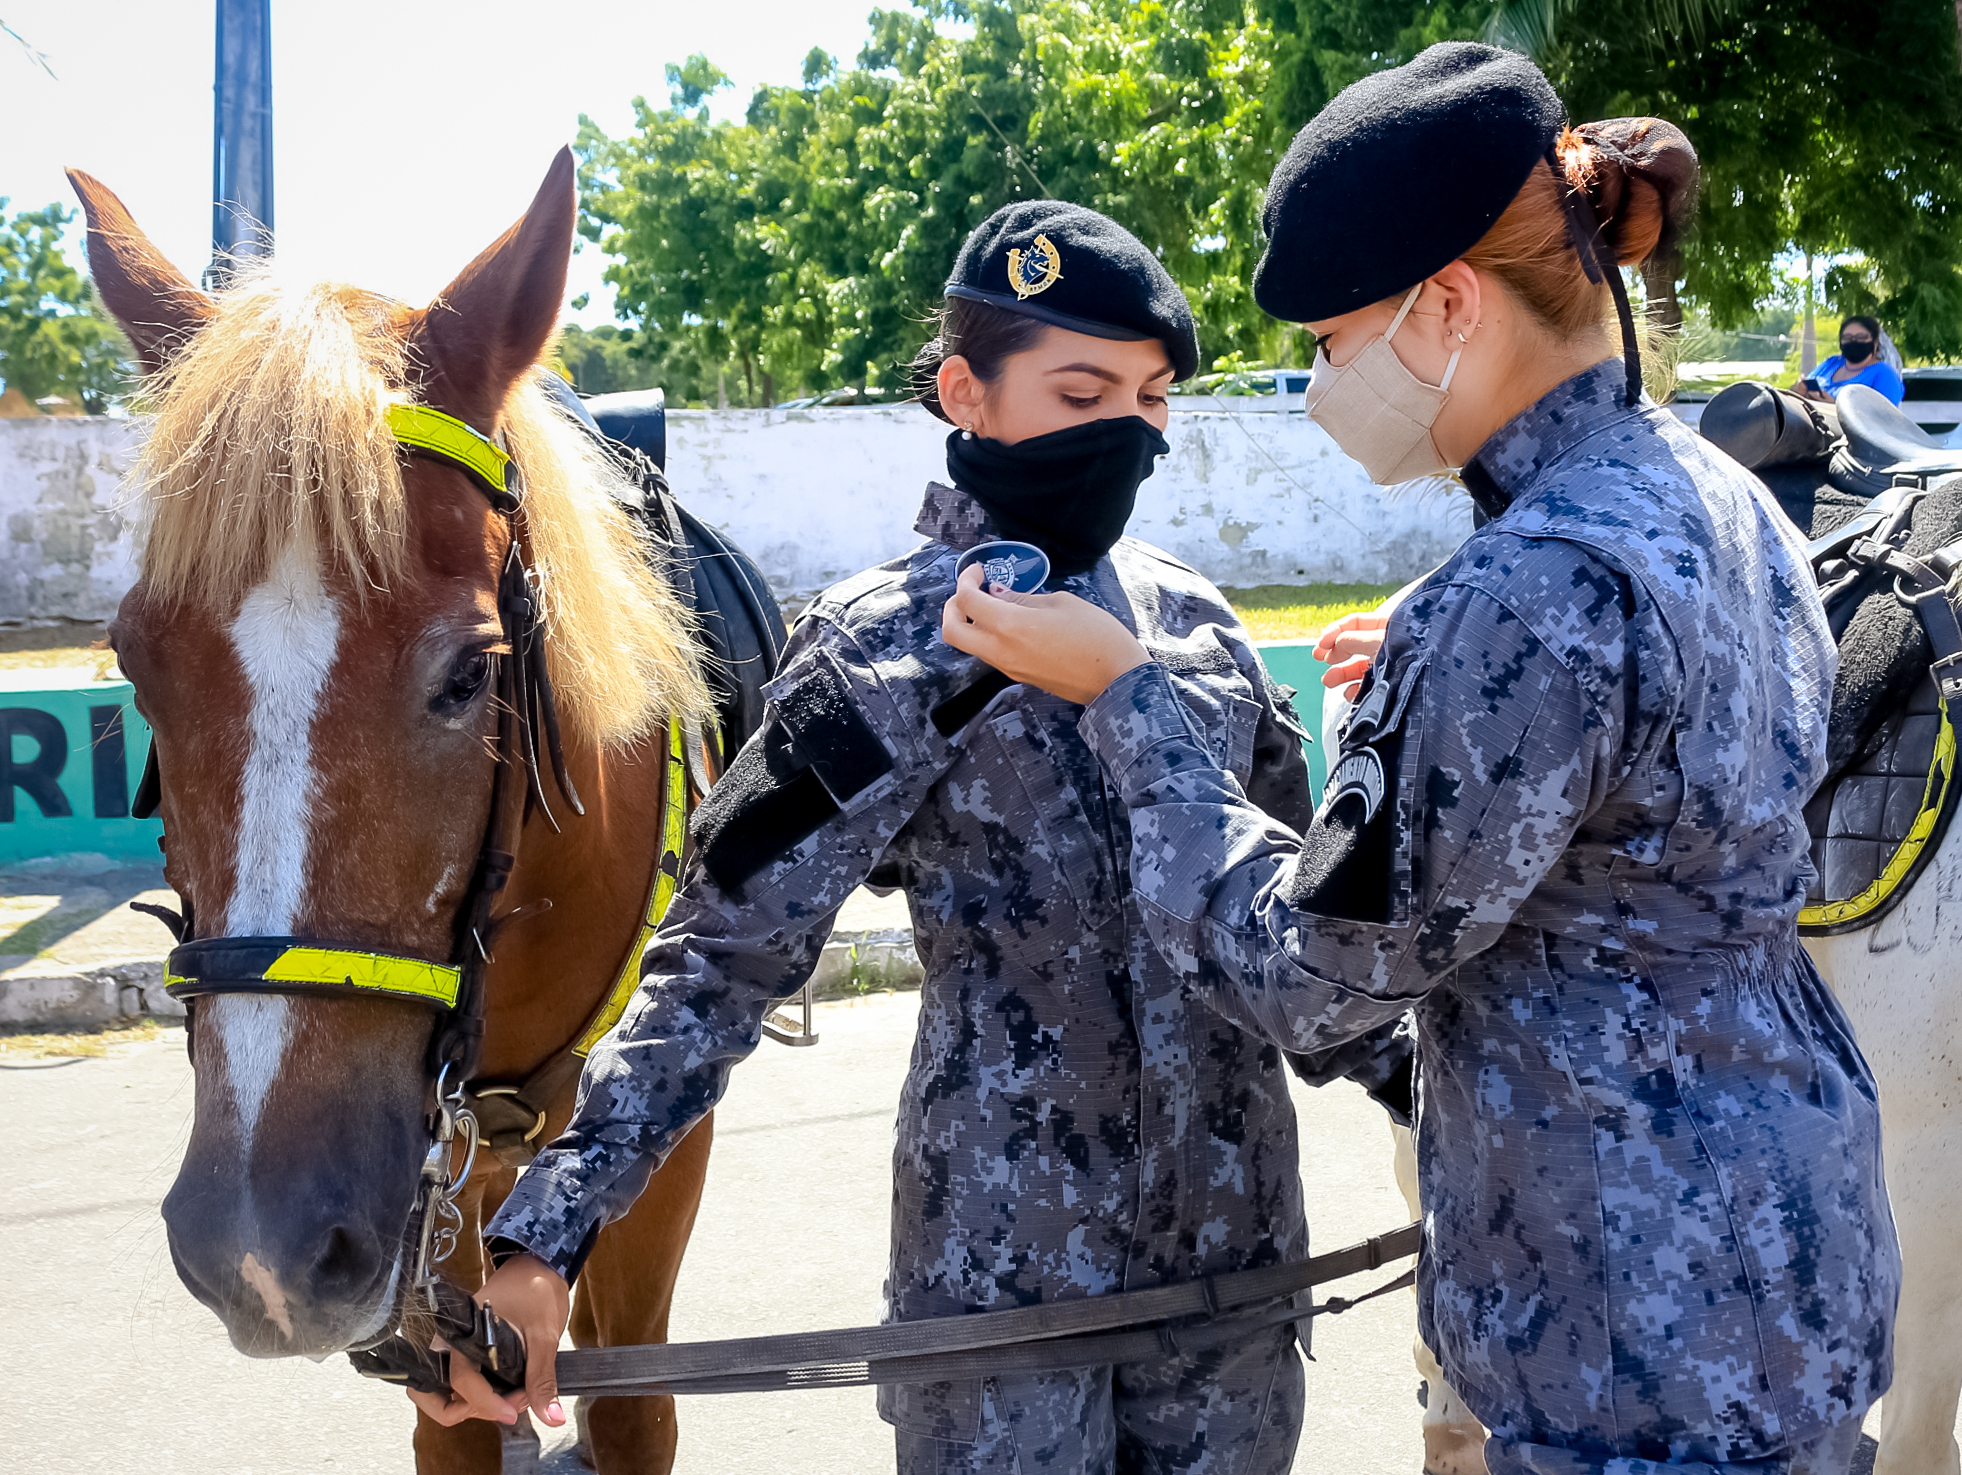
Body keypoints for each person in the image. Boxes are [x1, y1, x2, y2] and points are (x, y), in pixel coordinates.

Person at [942, 43, 1899, 1475]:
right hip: (1786, 1266)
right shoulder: (1710, 492)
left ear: (1446, 304)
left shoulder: (1521, 596)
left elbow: (1311, 978)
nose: (1328, 384)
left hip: (1621, 1337)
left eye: (1334, 342)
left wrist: (1126, 697)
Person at [422, 200, 1405, 1473]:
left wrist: (1440, 1112)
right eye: (1081, 387)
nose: (1129, 426)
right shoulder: (878, 648)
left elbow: (1306, 929)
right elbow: (716, 968)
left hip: (1233, 1287)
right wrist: (541, 1240)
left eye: (1153, 394)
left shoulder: (1200, 628)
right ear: (967, 396)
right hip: (1000, 1305)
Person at [1796, 314, 1905, 404]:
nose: (1853, 341)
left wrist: (1835, 407)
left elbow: (1885, 418)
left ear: (1875, 342)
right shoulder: (1831, 363)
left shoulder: (1885, 373)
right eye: (1847, 337)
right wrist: (1799, 391)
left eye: (1861, 337)